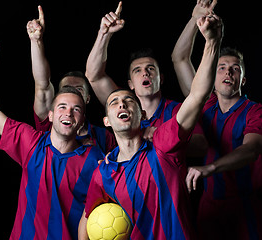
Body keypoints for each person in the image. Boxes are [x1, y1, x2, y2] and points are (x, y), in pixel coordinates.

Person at [78, 12, 223, 239]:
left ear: (142, 115)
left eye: (128, 102)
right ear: (106, 121)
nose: (122, 104)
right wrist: (103, 33)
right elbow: (86, 220)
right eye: (114, 102)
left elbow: (197, 95)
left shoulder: (164, 143)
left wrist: (213, 42)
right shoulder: (103, 171)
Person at [0, 44, 105, 240]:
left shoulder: (95, 158)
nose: (68, 113)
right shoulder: (30, 142)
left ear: (82, 120)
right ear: (52, 115)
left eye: (76, 109)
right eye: (62, 107)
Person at [172, 1, 262, 239]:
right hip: (210, 204)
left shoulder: (257, 112)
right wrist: (193, 18)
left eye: (235, 68)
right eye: (221, 67)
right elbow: (179, 59)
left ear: (243, 79)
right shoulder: (204, 104)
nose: (228, 72)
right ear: (210, 76)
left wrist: (209, 168)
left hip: (246, 204)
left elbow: (251, 149)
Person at [85, 1, 207, 158]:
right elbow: (93, 75)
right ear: (131, 84)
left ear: (161, 79)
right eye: (137, 70)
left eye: (151, 69)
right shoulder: (122, 105)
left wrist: (162, 136)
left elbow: (201, 145)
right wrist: (104, 34)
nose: (145, 73)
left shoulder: (177, 110)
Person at [26, 5, 116, 154]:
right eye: (66, 89)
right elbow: (42, 85)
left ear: (87, 98)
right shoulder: (49, 122)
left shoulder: (104, 137)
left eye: (79, 90)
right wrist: (36, 41)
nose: (72, 93)